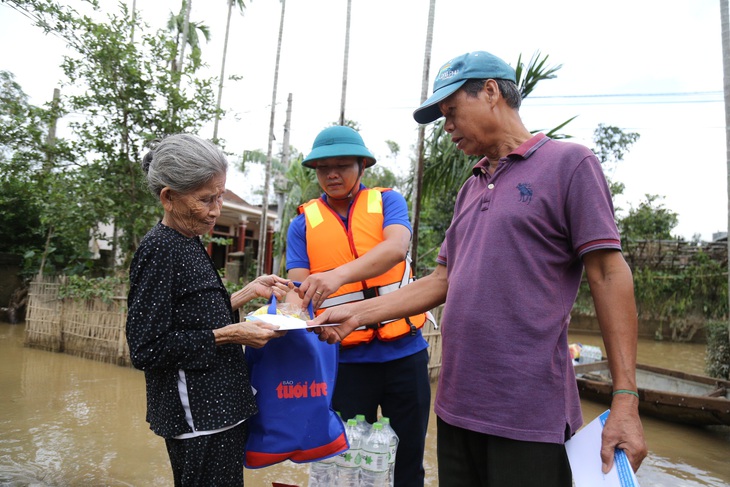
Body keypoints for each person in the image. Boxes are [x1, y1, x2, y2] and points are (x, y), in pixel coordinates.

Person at [307, 51, 648, 486]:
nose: (446, 127)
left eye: (451, 112)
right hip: (455, 407)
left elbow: (607, 274)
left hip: (526, 413)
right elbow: (442, 280)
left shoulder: (569, 164)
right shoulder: (471, 186)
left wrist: (625, 400)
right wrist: (354, 315)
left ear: (490, 92)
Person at [126, 133, 292, 486]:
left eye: (219, 195)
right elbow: (147, 347)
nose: (217, 209)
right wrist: (231, 333)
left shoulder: (188, 239)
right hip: (198, 416)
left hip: (221, 406)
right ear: (168, 198)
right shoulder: (160, 250)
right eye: (206, 199)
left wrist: (245, 293)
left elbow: (190, 313)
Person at [286, 125, 432, 487]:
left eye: (342, 165)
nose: (332, 174)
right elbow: (298, 286)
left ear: (362, 167)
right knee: (346, 463)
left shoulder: (387, 202)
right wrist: (288, 308)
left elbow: (396, 248)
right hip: (345, 360)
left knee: (408, 460)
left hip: (405, 353)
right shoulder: (302, 224)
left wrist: (335, 276)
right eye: (323, 168)